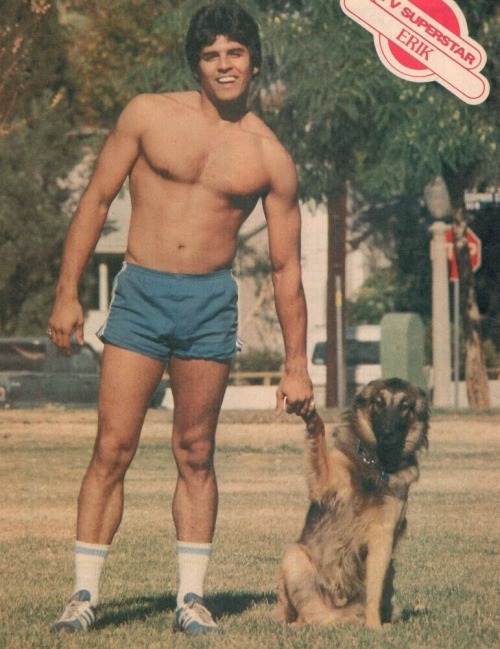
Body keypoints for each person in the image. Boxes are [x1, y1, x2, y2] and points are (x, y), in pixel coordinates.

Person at [48, 1, 314, 636]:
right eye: (211, 54)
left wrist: (297, 365)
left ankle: (190, 600)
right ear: (197, 63)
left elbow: (286, 270)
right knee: (113, 447)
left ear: (253, 60)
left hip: (208, 303)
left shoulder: (270, 157)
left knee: (195, 451)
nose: (224, 65)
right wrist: (67, 292)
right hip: (140, 293)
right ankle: (83, 595)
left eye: (235, 53)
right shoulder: (148, 114)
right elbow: (95, 199)